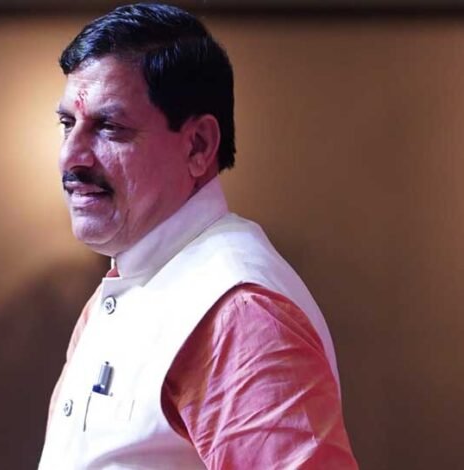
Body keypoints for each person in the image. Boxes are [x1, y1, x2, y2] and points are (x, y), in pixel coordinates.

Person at [38, 3, 358, 469]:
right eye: (67, 124)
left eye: (110, 127)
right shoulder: (136, 283)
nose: (72, 157)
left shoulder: (238, 309)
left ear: (198, 145)